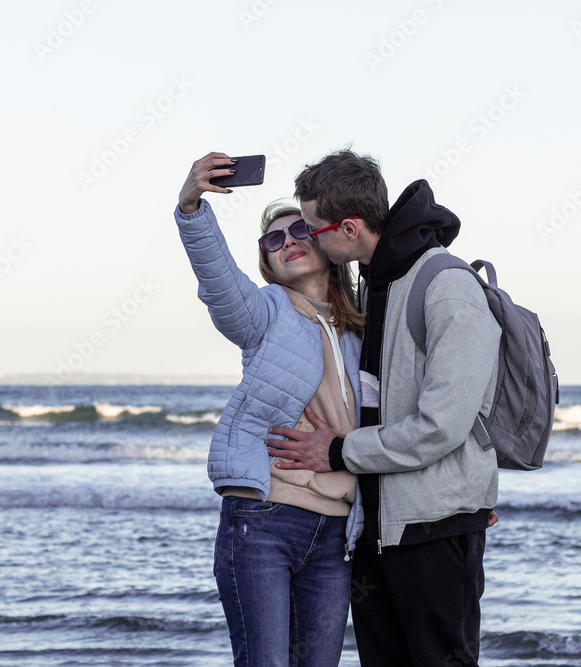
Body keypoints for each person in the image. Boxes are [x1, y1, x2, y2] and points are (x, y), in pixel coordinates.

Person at [265, 149, 502, 667]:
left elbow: (441, 426)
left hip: (436, 528)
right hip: (379, 529)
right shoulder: (379, 283)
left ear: (348, 229)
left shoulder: (447, 287)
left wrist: (339, 451)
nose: (306, 239)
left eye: (311, 228)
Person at [174, 152, 367, 667]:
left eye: (299, 230)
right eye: (272, 240)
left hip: (335, 536)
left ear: (327, 242)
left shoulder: (364, 329)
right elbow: (219, 283)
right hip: (263, 521)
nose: (287, 243)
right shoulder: (264, 314)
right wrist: (192, 207)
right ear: (267, 262)